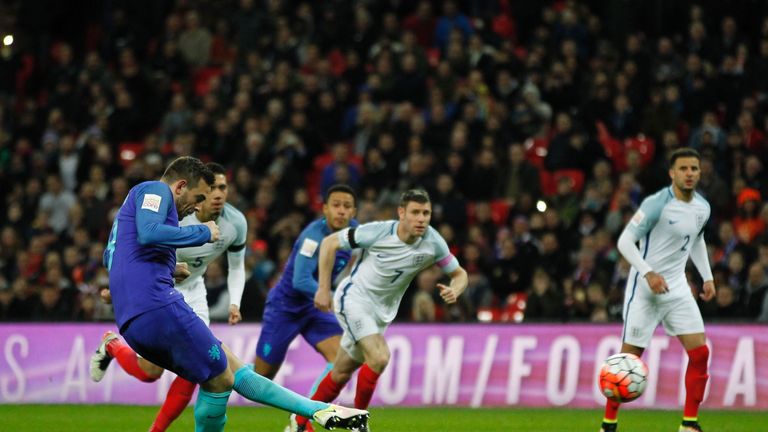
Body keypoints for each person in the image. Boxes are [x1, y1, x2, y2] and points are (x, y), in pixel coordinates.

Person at [91, 156, 368, 432]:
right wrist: (203, 232)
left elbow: (113, 257)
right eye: (197, 197)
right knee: (225, 376)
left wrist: (169, 269)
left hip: (133, 324)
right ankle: (318, 411)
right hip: (158, 308)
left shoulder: (132, 209)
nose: (196, 206)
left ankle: (317, 411)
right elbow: (150, 233)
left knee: (220, 374)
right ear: (180, 186)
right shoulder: (155, 190)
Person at [90, 162, 251, 431]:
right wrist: (120, 288)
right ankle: (113, 346)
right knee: (151, 373)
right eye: (211, 190)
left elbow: (236, 266)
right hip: (155, 291)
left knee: (201, 367)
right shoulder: (175, 207)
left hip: (193, 291)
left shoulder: (235, 223)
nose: (218, 194)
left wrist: (235, 301)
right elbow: (137, 243)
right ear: (195, 188)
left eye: (223, 187)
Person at [291, 189, 468, 432]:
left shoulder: (433, 242)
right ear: (401, 213)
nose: (421, 219)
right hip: (353, 299)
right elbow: (330, 243)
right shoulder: (378, 231)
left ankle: (299, 420)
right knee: (380, 356)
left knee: (341, 372)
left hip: (381, 314)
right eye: (415, 212)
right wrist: (323, 288)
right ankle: (358, 423)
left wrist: (455, 289)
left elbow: (459, 274)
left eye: (426, 213)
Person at [600, 148, 715, 432]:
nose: (689, 174)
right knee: (627, 362)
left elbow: (697, 240)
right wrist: (648, 272)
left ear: (699, 173)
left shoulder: (703, 207)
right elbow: (625, 242)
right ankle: (608, 424)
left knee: (700, 354)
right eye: (684, 169)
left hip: (676, 288)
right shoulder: (656, 204)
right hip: (645, 291)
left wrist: (708, 277)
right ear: (672, 173)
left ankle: (689, 424)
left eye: (694, 169)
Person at [255, 185, 357, 431]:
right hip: (285, 308)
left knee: (342, 359)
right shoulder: (313, 237)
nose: (341, 211)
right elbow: (301, 280)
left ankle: (301, 418)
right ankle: (224, 373)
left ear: (353, 211)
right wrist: (336, 297)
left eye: (346, 206)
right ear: (324, 208)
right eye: (336, 205)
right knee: (259, 379)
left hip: (313, 309)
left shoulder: (355, 233)